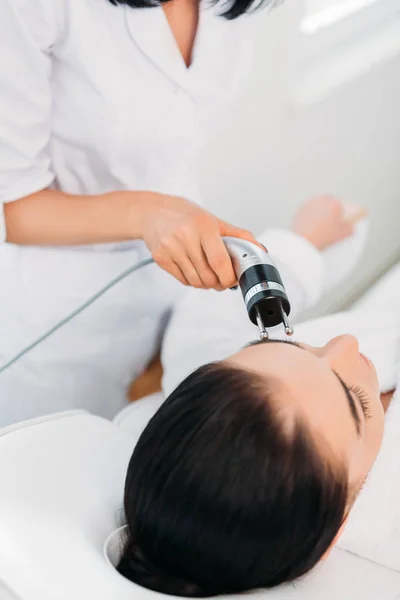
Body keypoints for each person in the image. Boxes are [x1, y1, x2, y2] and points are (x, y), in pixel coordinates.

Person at [0, 0, 274, 424]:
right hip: (51, 319)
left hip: (166, 296)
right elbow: (11, 207)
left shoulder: (236, 11)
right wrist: (149, 214)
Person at [116, 203, 399, 596]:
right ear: (336, 526)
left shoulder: (206, 360)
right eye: (356, 401)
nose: (345, 344)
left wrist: (304, 242)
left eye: (293, 345)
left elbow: (208, 323)